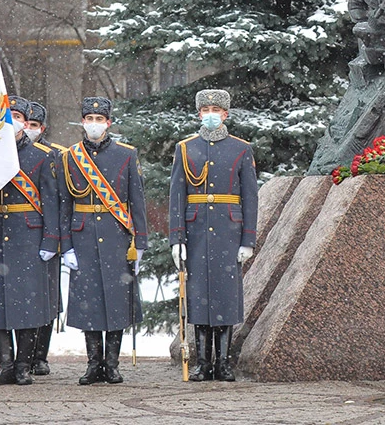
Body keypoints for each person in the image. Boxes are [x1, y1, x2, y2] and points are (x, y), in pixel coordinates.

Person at [168, 89, 258, 382]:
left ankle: (223, 362)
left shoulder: (241, 149)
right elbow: (177, 197)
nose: (210, 114)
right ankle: (202, 362)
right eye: (205, 109)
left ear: (225, 114)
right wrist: (177, 239)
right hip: (195, 234)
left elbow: (250, 198)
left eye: (215, 110)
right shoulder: (186, 148)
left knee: (226, 298)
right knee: (199, 298)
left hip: (228, 232)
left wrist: (248, 240)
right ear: (198, 114)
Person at [61, 97, 147, 384]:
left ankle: (112, 364)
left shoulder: (126, 155)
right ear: (83, 122)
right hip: (82, 235)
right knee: (89, 302)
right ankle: (92, 364)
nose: (94, 124)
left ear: (109, 123)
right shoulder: (70, 157)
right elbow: (64, 204)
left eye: (100, 119)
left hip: (116, 235)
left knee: (116, 301)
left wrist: (141, 242)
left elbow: (137, 201)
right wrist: (66, 244)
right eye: (89, 119)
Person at [0, 97, 61, 386]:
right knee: (0, 306)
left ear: (25, 123)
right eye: (7, 116)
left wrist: (50, 240)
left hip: (30, 236)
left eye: (16, 116)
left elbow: (52, 201)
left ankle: (23, 365)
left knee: (27, 306)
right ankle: (5, 365)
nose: (11, 122)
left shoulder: (42, 155)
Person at [24, 99, 65, 376]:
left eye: (33, 125)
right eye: (24, 124)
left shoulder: (55, 155)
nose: (28, 129)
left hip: (48, 233)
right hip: (23, 235)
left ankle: (41, 355)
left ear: (43, 128)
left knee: (48, 298)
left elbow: (60, 197)